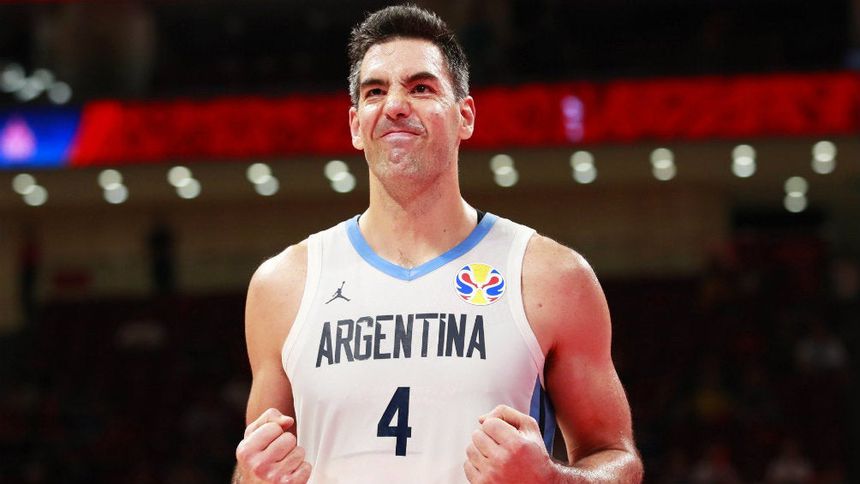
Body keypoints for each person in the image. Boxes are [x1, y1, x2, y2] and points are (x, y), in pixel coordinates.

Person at [233, 5, 642, 483]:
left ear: (465, 115)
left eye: (421, 88)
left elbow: (618, 460)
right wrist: (250, 477)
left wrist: (549, 479)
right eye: (375, 91)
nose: (395, 105)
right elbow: (253, 469)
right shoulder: (283, 286)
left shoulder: (549, 277)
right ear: (355, 125)